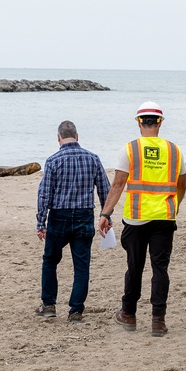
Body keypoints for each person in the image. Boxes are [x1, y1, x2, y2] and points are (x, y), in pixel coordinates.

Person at [98, 101, 186, 337]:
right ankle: (158, 320)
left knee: (134, 267)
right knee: (160, 268)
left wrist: (105, 214)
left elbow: (117, 185)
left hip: (136, 218)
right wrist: (171, 207)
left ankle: (129, 313)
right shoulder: (174, 151)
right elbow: (181, 187)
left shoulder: (129, 149)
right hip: (164, 219)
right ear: (160, 121)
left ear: (138, 122)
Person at [35, 121, 111, 323]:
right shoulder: (93, 158)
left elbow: (44, 194)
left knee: (50, 260)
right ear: (77, 136)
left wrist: (41, 222)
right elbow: (105, 189)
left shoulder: (53, 160)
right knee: (81, 265)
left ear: (58, 138)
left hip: (59, 216)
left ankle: (49, 305)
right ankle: (75, 310)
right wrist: (106, 215)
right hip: (84, 215)